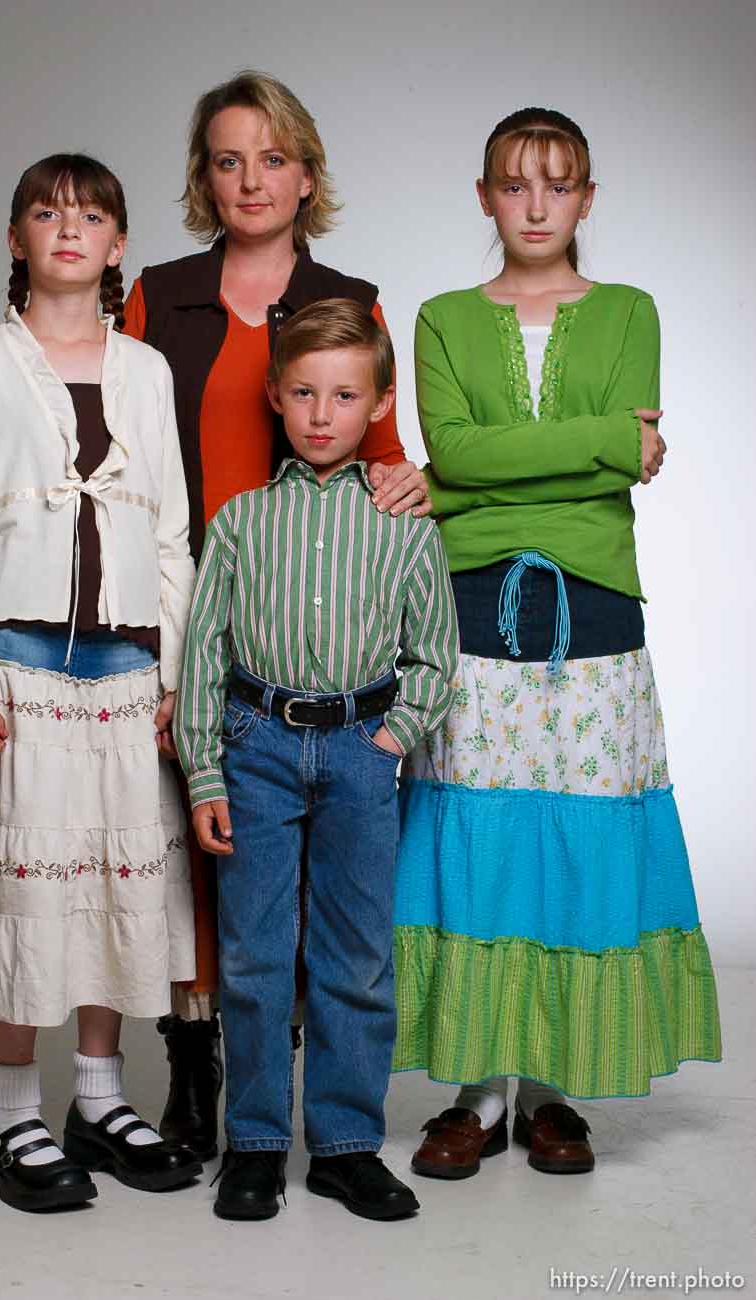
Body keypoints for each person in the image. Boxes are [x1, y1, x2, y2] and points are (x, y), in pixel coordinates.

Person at [393, 109, 721, 1180]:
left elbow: (605, 467)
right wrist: (589, 446)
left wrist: (491, 473)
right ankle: (480, 1091)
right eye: (515, 184)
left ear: (587, 197)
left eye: (558, 184)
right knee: (480, 831)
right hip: (475, 596)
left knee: (575, 832)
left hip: (597, 602)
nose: (536, 205)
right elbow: (457, 448)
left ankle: (553, 1089)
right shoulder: (442, 316)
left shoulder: (630, 309)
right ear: (484, 195)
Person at [122, 69, 432, 1161]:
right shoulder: (157, 293)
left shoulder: (349, 293)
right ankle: (194, 1068)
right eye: (226, 158)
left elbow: (388, 467)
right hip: (185, 615)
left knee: (293, 880)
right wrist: (156, 656)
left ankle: (306, 1081)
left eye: (271, 156)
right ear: (205, 178)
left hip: (309, 640)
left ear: (307, 173)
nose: (250, 178)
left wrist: (420, 484)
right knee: (187, 853)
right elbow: (123, 469)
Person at [0, 154, 201, 1212]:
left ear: (118, 246)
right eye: (45, 212)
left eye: (90, 215)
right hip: (17, 666)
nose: (68, 228)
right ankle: (9, 1110)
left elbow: (171, 533)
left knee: (111, 890)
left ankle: (100, 1096)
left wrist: (175, 671)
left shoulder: (147, 371)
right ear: (18, 239)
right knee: (27, 893)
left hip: (125, 671)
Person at [175, 299, 457, 1220]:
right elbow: (205, 654)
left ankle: (343, 1144)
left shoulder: (405, 524)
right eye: (302, 393)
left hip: (360, 751)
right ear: (274, 398)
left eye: (343, 395)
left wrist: (390, 738)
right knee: (256, 956)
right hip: (255, 747)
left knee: (355, 958)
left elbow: (434, 656)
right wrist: (207, 772)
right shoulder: (241, 522)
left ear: (377, 404)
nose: (321, 414)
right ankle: (253, 1143)